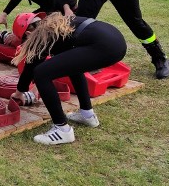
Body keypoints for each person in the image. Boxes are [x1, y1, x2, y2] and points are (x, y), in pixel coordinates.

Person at [10, 12, 127, 145]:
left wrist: (19, 92)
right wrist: (22, 90)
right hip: (116, 41)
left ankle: (62, 130)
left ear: (27, 34)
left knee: (42, 73)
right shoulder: (54, 24)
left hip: (105, 46)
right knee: (72, 67)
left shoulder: (41, 35)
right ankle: (87, 115)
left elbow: (31, 67)